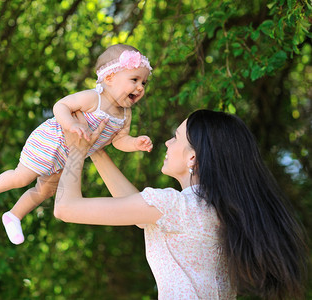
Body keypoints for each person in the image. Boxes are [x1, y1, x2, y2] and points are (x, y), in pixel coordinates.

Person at [54, 109, 308, 299]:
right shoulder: (216, 209)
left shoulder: (173, 206)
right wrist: (95, 150)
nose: (167, 143)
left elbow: (65, 208)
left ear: (193, 157)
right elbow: (140, 213)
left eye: (175, 138)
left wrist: (77, 150)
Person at [0, 44, 154, 245]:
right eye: (134, 80)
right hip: (49, 142)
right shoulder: (94, 98)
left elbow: (119, 140)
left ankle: (14, 216)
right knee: (22, 177)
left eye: (144, 83)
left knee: (45, 190)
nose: (140, 87)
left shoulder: (125, 115)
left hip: (66, 157)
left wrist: (135, 143)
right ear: (110, 78)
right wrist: (72, 124)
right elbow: (61, 106)